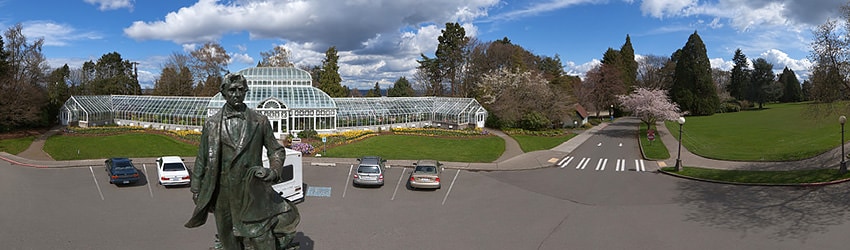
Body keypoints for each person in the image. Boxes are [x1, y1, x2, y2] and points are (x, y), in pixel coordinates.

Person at [185, 73, 299, 250]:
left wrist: (273, 171)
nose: (236, 94)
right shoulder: (212, 124)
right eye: (232, 90)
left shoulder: (259, 121)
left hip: (251, 190)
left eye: (241, 90)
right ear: (223, 92)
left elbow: (276, 150)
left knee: (261, 236)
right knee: (228, 237)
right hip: (222, 193)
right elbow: (202, 158)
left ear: (246, 92)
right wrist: (196, 189)